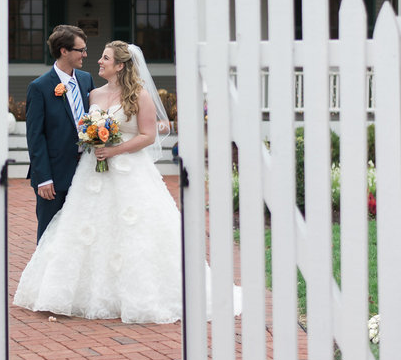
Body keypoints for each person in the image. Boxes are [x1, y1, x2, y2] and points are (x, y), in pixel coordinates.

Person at [15, 40, 242, 324]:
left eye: (105, 58)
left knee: (135, 230)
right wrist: (92, 138)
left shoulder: (139, 95)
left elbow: (148, 135)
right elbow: (81, 124)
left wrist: (113, 150)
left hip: (128, 169)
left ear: (120, 65)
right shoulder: (93, 93)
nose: (98, 61)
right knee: (85, 226)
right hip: (91, 171)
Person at [26, 24, 95, 242]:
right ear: (64, 51)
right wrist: (43, 178)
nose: (85, 54)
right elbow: (35, 137)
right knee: (49, 235)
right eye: (80, 50)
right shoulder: (39, 87)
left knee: (82, 233)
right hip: (53, 176)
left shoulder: (86, 79)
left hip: (85, 171)